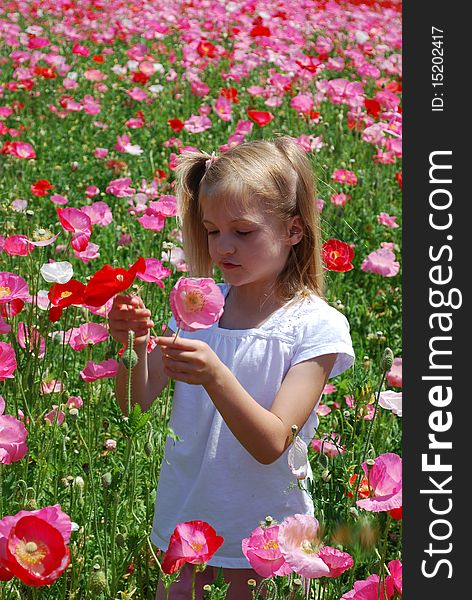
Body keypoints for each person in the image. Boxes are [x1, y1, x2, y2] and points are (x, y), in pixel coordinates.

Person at [110, 137, 355, 599]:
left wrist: (217, 375)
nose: (224, 247)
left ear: (294, 231)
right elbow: (133, 403)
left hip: (264, 536)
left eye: (243, 232)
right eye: (212, 231)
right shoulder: (196, 307)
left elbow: (272, 443)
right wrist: (131, 345)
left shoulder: (315, 326)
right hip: (187, 524)